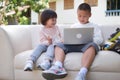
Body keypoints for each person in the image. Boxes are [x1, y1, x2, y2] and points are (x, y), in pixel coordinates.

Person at [42, 3, 103, 80]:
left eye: (84, 16)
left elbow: (100, 39)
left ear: (90, 15)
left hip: (86, 46)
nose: (81, 18)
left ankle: (82, 74)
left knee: (93, 46)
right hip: (73, 45)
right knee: (58, 45)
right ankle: (58, 67)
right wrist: (64, 40)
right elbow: (67, 37)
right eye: (79, 16)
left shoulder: (94, 26)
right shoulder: (74, 26)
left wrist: (90, 39)